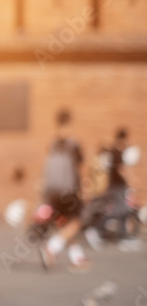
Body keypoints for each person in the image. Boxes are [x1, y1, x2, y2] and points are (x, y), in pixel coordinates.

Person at [39, 108, 90, 272]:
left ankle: (77, 258)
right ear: (70, 122)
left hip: (52, 190)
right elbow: (80, 167)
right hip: (69, 189)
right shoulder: (73, 143)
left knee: (65, 224)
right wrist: (84, 188)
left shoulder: (52, 143)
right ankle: (52, 247)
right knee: (76, 223)